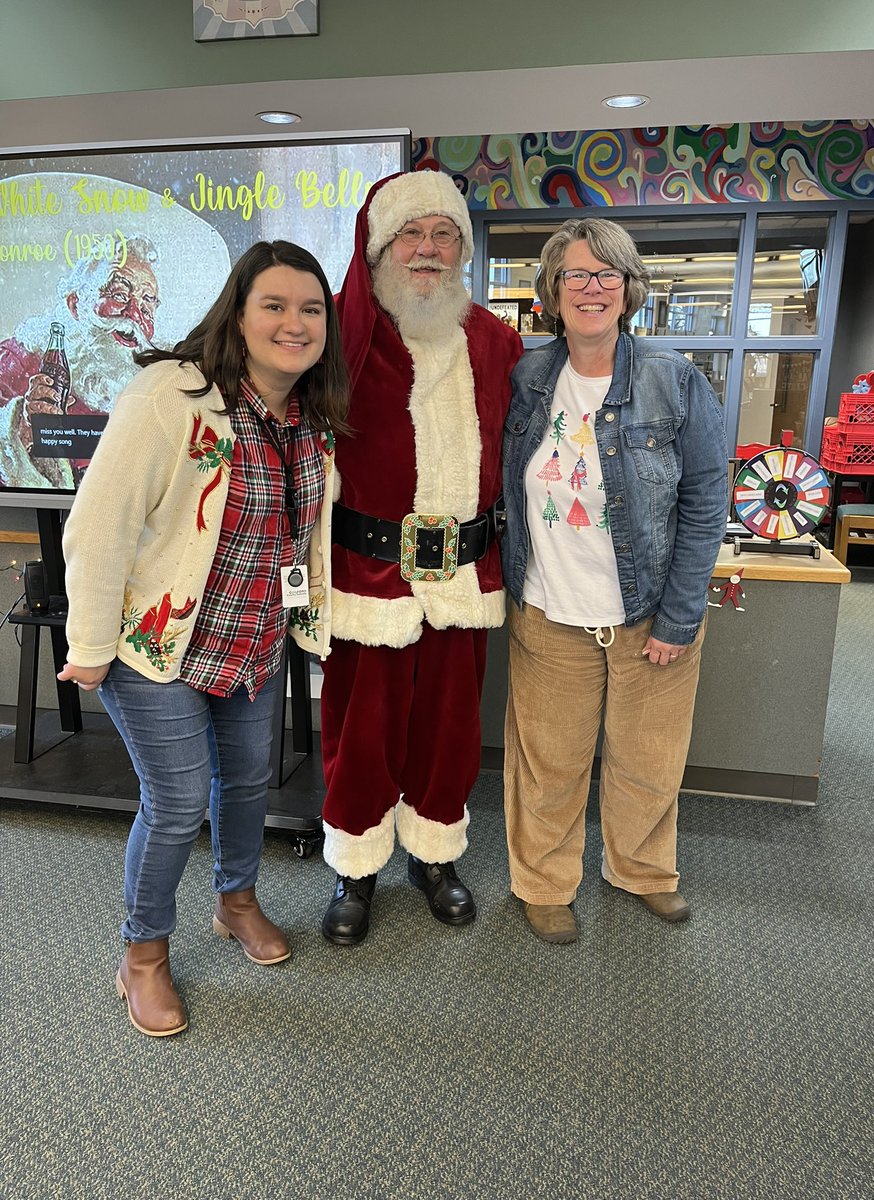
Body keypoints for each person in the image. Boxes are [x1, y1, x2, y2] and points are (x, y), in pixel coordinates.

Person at [58, 240, 350, 1035]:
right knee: (179, 801)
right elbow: (98, 524)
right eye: (274, 306)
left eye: (311, 310)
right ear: (238, 314)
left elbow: (303, 537)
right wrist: (89, 645)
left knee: (248, 783)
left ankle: (235, 902)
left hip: (253, 644)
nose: (294, 323)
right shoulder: (173, 394)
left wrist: (310, 621)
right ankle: (143, 954)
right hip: (157, 648)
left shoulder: (311, 417)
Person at [501, 217, 728, 944]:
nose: (592, 288)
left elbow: (706, 502)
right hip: (548, 613)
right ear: (552, 290)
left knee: (648, 763)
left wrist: (680, 618)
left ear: (630, 290)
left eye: (608, 274)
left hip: (648, 613)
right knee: (549, 766)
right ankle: (544, 884)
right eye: (576, 274)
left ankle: (642, 871)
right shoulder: (526, 379)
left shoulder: (674, 380)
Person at [319, 170, 522, 945]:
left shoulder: (498, 344)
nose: (428, 249)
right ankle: (356, 865)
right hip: (366, 576)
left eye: (444, 235)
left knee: (449, 729)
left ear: (463, 251)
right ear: (378, 248)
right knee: (360, 732)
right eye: (411, 234)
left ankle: (434, 855)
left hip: (464, 576)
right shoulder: (338, 335)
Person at [0, 237, 161, 489]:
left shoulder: (160, 380)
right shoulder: (17, 361)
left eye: (147, 304)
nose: (134, 316)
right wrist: (21, 432)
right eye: (119, 295)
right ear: (75, 304)